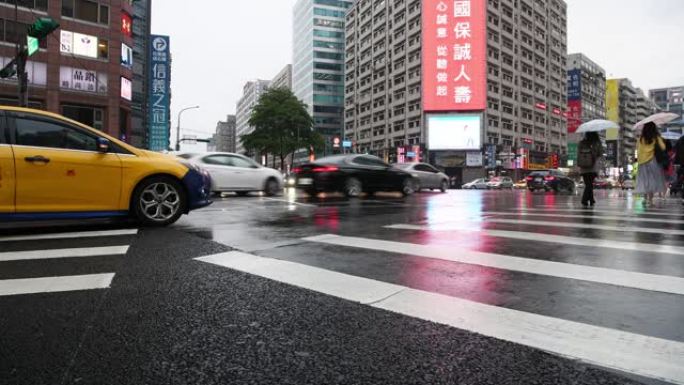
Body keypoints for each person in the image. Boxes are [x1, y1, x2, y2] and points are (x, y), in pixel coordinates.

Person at [635, 122, 667, 206]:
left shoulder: (641, 138)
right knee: (652, 181)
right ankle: (650, 200)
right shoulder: (656, 137)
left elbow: (637, 148)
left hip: (642, 162)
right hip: (653, 161)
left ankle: (644, 199)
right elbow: (663, 147)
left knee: (644, 180)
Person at [577, 132, 604, 207]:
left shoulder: (581, 143)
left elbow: (578, 153)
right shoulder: (596, 143)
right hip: (593, 166)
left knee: (588, 183)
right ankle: (584, 199)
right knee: (589, 184)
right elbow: (600, 153)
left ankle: (591, 199)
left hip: (583, 166)